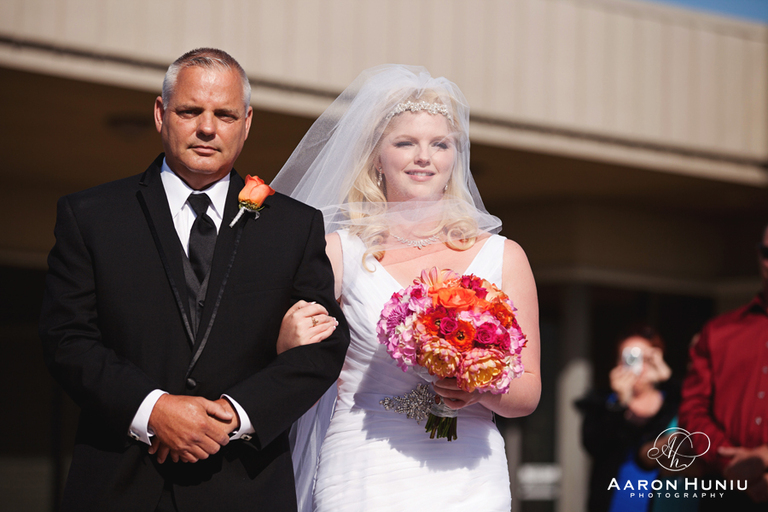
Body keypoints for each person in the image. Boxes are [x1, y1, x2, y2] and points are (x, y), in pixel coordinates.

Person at [39, 48, 349, 512]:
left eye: (224, 114)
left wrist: (232, 414)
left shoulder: (294, 225)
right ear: (162, 114)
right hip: (119, 484)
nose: (208, 127)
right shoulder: (91, 215)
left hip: (246, 485)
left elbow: (326, 345)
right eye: (191, 111)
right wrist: (154, 410)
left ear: (246, 122)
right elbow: (66, 337)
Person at [271, 65, 541, 511]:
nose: (424, 157)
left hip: (469, 473)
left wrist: (478, 385)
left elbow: (528, 392)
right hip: (363, 465)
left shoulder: (503, 256)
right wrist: (284, 341)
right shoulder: (338, 251)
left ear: (456, 155)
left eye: (440, 144)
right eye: (405, 143)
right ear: (377, 156)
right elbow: (300, 363)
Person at [679, 225, 768, 510]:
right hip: (726, 495)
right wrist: (731, 462)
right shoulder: (718, 332)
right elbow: (692, 411)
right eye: (767, 252)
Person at [577, 326, 683, 512]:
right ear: (618, 361)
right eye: (629, 357)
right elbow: (592, 445)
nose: (637, 366)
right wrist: (619, 404)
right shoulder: (604, 404)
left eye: (645, 358)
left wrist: (668, 378)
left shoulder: (673, 401)